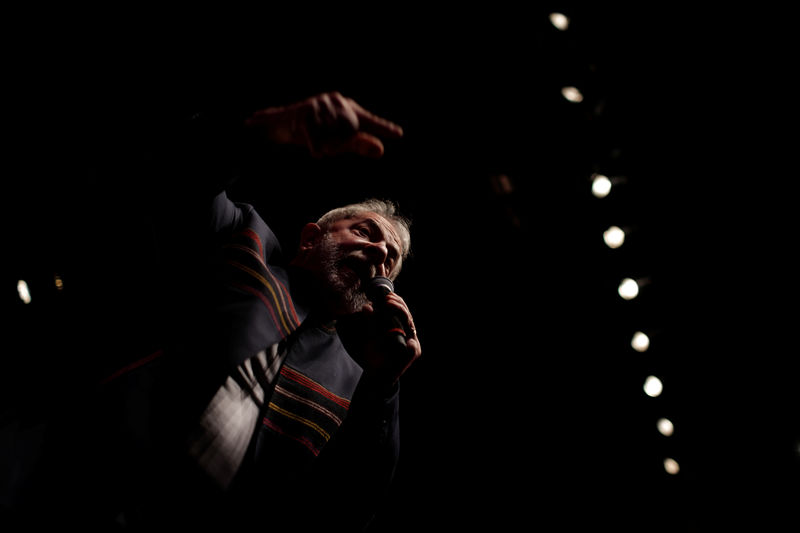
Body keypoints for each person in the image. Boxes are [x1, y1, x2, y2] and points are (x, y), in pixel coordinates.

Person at [11, 92, 421, 531]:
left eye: (390, 260)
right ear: (310, 237)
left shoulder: (357, 381)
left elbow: (351, 505)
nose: (379, 250)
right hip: (86, 475)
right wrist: (259, 134)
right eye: (366, 232)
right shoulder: (245, 237)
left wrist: (384, 387)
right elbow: (178, 174)